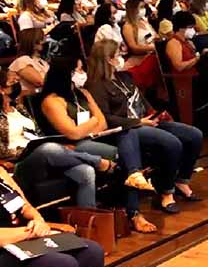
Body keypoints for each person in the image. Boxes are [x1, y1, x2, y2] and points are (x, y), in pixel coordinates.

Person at [39, 57, 158, 233]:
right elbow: (72, 133)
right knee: (124, 156)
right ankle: (133, 213)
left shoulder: (83, 93)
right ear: (66, 74)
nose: (82, 74)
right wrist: (92, 122)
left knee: (128, 135)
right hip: (71, 146)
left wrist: (88, 125)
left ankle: (131, 184)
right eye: (78, 71)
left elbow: (102, 123)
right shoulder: (52, 101)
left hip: (95, 138)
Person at [86, 40, 204, 215]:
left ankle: (182, 180)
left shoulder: (124, 77)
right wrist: (139, 122)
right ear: (109, 59)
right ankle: (166, 192)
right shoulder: (96, 85)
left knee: (194, 134)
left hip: (146, 120)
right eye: (118, 55)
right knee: (172, 143)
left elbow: (140, 99)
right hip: (128, 128)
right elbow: (106, 118)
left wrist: (155, 114)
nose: (121, 57)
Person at [0, 68, 112, 210]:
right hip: (18, 162)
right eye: (12, 82)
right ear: (2, 89)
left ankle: (89, 217)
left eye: (17, 81)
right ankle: (97, 161)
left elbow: (37, 134)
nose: (17, 85)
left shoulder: (19, 108)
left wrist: (58, 148)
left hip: (39, 152)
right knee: (48, 148)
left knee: (86, 171)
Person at [0, 166, 105, 267]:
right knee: (62, 263)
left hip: (27, 237)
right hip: (6, 247)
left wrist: (38, 220)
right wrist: (33, 232)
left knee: (92, 251)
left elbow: (25, 206)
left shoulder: (1, 172)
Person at [8, 29, 49, 96]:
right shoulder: (22, 61)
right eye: (43, 39)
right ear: (34, 43)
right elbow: (41, 82)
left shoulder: (41, 61)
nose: (46, 42)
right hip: (32, 101)